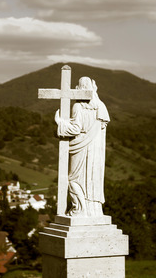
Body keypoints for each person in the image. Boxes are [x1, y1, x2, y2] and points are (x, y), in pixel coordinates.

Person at [55, 77, 110, 217]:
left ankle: (80, 210)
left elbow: (75, 129)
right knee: (92, 179)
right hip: (95, 149)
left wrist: (60, 123)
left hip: (80, 146)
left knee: (74, 178)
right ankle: (93, 210)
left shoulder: (78, 106)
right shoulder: (101, 106)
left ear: (78, 88)